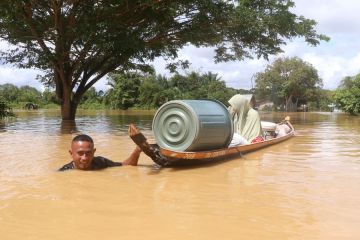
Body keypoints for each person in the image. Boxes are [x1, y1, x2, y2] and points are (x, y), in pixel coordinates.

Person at [59, 134, 142, 171]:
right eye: (80, 153)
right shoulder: (65, 171)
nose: (84, 158)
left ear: (94, 152)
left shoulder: (101, 162)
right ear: (71, 153)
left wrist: (137, 150)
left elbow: (126, 165)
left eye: (88, 153)